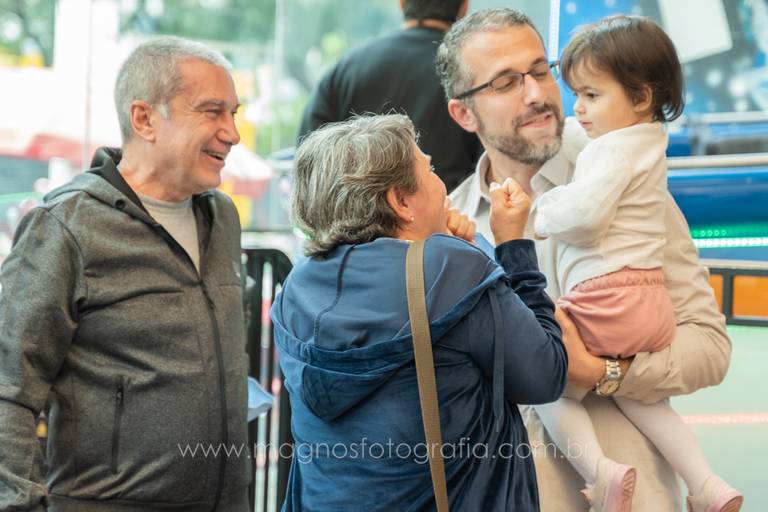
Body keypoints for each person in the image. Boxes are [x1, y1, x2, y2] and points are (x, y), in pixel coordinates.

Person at [436, 8, 732, 512]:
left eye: (540, 70)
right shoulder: (451, 222)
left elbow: (709, 346)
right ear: (464, 113)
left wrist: (603, 372)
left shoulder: (621, 172)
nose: (536, 93)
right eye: (506, 82)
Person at [0, 37, 251, 511]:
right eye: (212, 112)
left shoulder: (222, 217)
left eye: (233, 113)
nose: (232, 133)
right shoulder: (65, 226)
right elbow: (9, 387)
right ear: (144, 119)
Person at [271, 114, 568, 511]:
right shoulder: (452, 269)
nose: (439, 182)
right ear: (401, 201)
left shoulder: (297, 286)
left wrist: (453, 249)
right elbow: (545, 374)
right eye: (429, 170)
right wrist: (512, 246)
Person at [529, 15, 742, 512]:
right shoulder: (648, 142)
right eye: (575, 94)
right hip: (647, 304)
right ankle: (705, 483)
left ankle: (600, 472)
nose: (577, 108)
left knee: (547, 382)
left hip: (607, 298)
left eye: (591, 95)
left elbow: (586, 215)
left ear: (642, 97)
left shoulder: (612, 152)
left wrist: (542, 212)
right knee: (642, 397)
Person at [297, 0, 482, 192]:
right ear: (464, 7)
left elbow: (309, 157)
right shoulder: (472, 73)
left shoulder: (345, 68)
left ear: (401, 4)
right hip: (450, 207)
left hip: (354, 209)